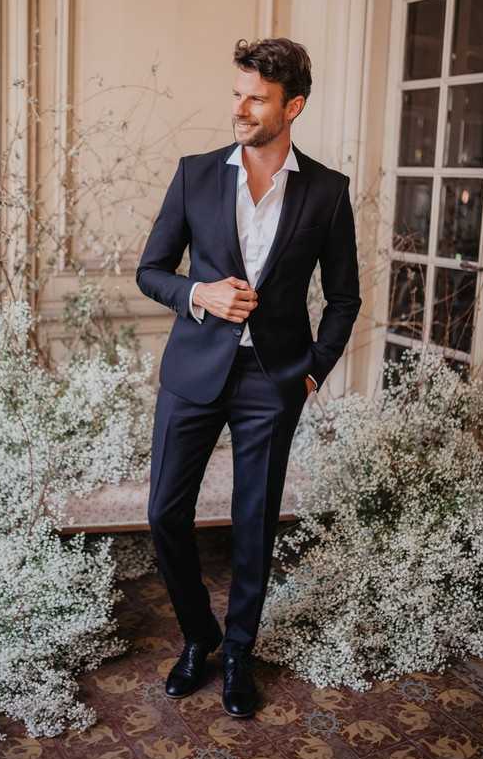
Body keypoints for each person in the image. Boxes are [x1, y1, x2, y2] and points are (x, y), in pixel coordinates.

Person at [135, 37, 362, 718]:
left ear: (292, 106)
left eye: (256, 97)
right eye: (237, 92)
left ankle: (237, 651)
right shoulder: (195, 174)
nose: (240, 107)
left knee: (254, 523)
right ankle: (199, 634)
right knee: (164, 513)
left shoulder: (327, 191)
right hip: (193, 370)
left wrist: (314, 371)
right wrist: (199, 294)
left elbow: (344, 296)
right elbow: (151, 270)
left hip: (275, 379)